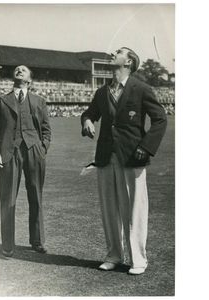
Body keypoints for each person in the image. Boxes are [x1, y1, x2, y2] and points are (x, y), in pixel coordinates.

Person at [81, 47, 167, 275]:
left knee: (135, 209)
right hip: (105, 157)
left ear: (128, 62)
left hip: (132, 157)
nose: (112, 53)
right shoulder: (102, 92)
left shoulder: (141, 89)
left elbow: (160, 120)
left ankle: (138, 260)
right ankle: (114, 255)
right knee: (109, 209)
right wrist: (87, 121)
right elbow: (89, 113)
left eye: (118, 52)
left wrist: (146, 147)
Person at [0, 65, 51, 256]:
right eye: (17, 69)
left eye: (23, 70)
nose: (19, 70)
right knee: (7, 198)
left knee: (36, 196)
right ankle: (7, 244)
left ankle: (37, 241)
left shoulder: (39, 101)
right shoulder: (1, 101)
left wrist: (42, 148)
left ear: (30, 79)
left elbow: (46, 129)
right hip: (9, 153)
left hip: (34, 151)